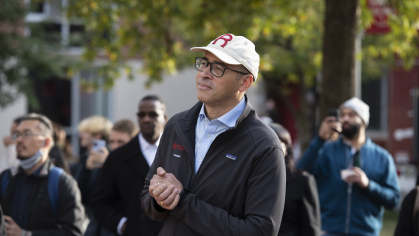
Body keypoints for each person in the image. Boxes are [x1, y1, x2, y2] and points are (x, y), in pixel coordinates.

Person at [140, 33, 286, 236]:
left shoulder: (264, 146)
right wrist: (160, 198)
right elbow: (147, 199)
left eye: (218, 68)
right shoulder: (177, 125)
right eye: (203, 63)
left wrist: (182, 201)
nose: (204, 73)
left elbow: (259, 231)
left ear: (244, 82)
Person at [297, 97, 400, 236]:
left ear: (363, 120)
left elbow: (393, 200)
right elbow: (300, 173)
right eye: (343, 114)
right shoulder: (327, 150)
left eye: (351, 115)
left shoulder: (382, 157)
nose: (345, 119)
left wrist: (368, 185)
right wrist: (320, 139)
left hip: (366, 232)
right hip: (328, 230)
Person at [91, 95, 167, 235]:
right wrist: (123, 225)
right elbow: (99, 202)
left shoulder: (178, 153)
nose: (146, 119)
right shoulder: (117, 157)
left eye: (153, 114)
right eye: (141, 114)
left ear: (165, 118)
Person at [0, 113, 84, 235]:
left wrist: (27, 234)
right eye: (17, 134)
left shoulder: (62, 182)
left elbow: (74, 232)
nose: (19, 139)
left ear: (46, 142)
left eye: (26, 134)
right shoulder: (5, 177)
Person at [269, 123, 321, 236]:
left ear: (287, 147)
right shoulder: (251, 180)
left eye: (276, 142)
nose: (269, 147)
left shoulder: (303, 180)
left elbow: (311, 229)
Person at [71, 115, 113, 236]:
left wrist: (108, 165)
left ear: (97, 135)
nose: (80, 135)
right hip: (88, 224)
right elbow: (77, 194)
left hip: (107, 227)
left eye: (85, 132)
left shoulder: (113, 158)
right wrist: (86, 170)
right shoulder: (83, 162)